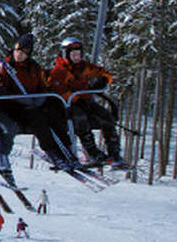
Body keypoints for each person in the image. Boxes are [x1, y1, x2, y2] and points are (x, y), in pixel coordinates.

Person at [0, 33, 78, 176]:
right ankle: (51, 151)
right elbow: (1, 90)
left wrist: (40, 98)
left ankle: (66, 150)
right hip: (14, 106)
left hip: (34, 101)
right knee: (38, 120)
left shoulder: (34, 67)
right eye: (18, 51)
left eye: (24, 53)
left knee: (54, 116)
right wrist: (21, 100)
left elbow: (43, 85)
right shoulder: (6, 67)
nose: (19, 55)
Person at [48, 37, 122, 166]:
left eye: (79, 54)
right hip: (68, 105)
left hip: (86, 102)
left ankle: (114, 153)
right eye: (73, 55)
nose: (77, 57)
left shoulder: (84, 67)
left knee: (106, 117)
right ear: (66, 54)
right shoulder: (59, 71)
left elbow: (103, 72)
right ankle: (92, 152)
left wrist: (104, 79)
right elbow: (59, 90)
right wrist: (77, 99)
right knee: (80, 119)